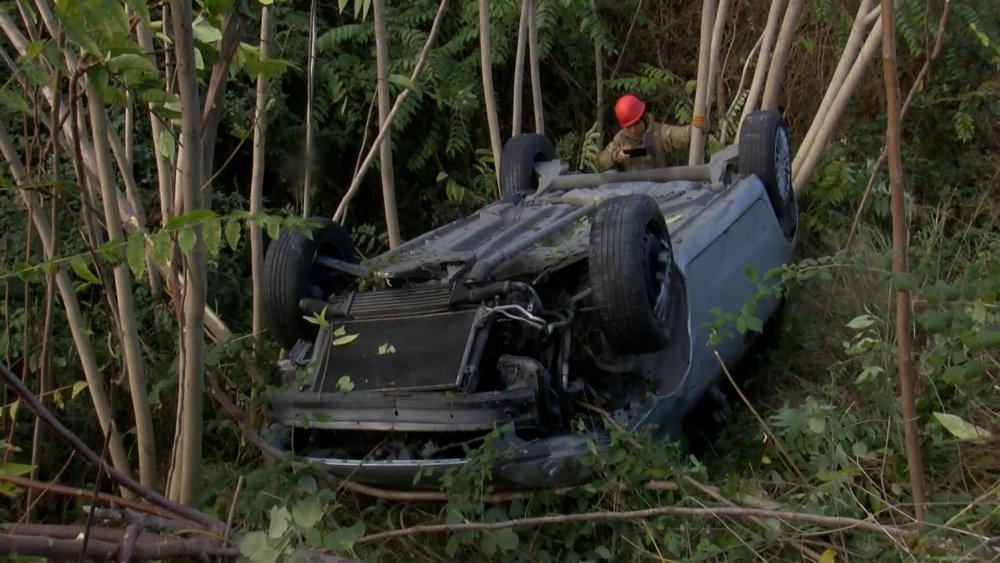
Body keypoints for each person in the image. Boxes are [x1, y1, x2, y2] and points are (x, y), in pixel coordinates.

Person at [597, 93, 702, 172]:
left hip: (660, 192)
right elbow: (599, 163)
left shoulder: (660, 132)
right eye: (628, 127)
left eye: (636, 124)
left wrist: (699, 127)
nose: (633, 130)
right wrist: (614, 157)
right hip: (631, 193)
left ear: (644, 117)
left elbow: (683, 135)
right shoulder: (620, 139)